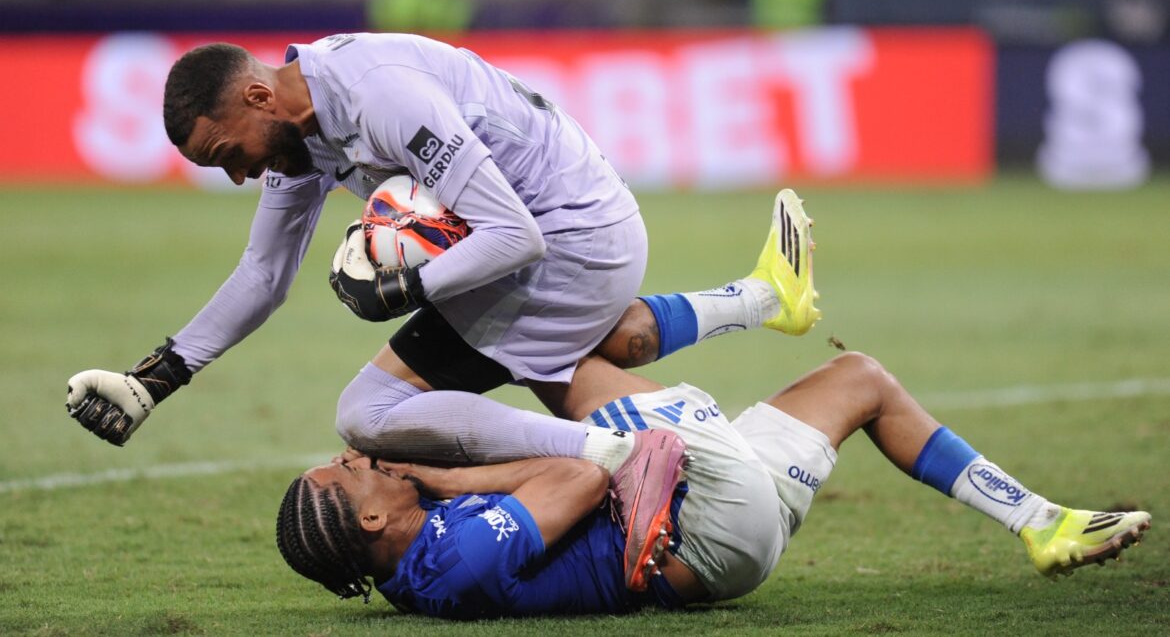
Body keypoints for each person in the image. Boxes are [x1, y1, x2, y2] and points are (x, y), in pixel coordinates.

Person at [63, 32, 821, 455]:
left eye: (229, 153)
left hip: (570, 239)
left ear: (260, 97)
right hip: (579, 231)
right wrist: (156, 378)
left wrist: (406, 289)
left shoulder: (379, 98)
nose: (238, 177)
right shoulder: (300, 130)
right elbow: (264, 272)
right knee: (584, 355)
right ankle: (761, 298)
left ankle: (649, 459)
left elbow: (513, 234)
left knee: (374, 411)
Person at [277, 353, 1152, 618]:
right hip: (701, 539)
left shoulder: (424, 547)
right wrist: (447, 465)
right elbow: (582, 472)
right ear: (369, 515)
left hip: (724, 523)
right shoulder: (457, 556)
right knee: (561, 356)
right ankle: (754, 296)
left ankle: (1041, 522)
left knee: (859, 381)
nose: (368, 456)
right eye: (357, 468)